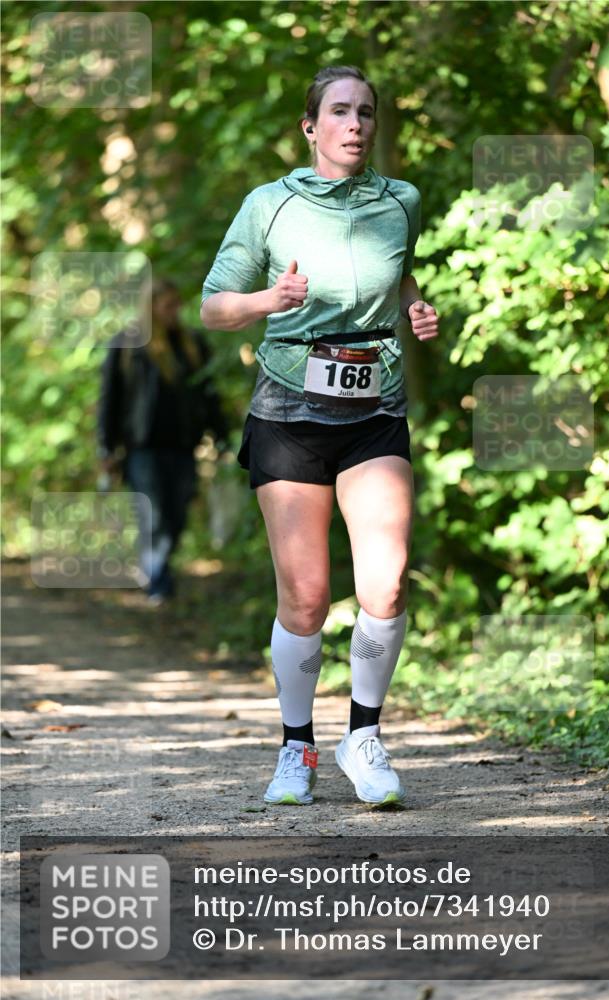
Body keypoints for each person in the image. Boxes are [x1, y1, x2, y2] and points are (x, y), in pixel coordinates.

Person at [201, 65, 439, 807]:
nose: (355, 124)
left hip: (374, 409)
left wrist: (417, 307)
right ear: (311, 127)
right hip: (287, 414)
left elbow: (400, 277)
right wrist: (270, 299)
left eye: (366, 112)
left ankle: (363, 736)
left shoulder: (400, 201)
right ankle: (295, 748)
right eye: (339, 111)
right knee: (306, 597)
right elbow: (215, 308)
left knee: (388, 580)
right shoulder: (268, 206)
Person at [98, 277, 229, 606]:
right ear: (152, 306)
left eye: (176, 304)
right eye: (168, 305)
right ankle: (158, 582)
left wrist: (222, 435)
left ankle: (158, 570)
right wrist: (106, 447)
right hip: (142, 447)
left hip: (183, 445)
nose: (175, 311)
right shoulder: (127, 345)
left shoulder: (192, 345)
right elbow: (109, 400)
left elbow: (208, 395)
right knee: (153, 514)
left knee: (178, 513)